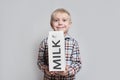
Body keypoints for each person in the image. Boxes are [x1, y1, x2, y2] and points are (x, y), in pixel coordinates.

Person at [37, 8, 82, 80]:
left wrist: (68, 71)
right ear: (51, 24)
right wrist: (46, 69)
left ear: (69, 24)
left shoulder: (73, 43)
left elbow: (77, 64)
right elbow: (40, 61)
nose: (60, 23)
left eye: (64, 20)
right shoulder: (45, 42)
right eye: (56, 20)